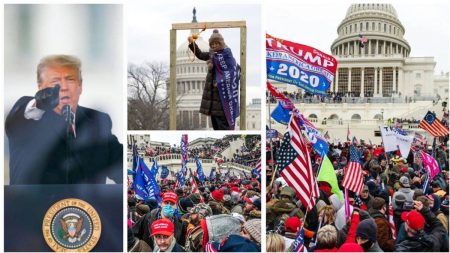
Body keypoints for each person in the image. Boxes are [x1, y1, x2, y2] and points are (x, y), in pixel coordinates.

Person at [5, 55, 122, 184]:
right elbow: (26, 113)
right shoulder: (25, 115)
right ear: (40, 87)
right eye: (55, 82)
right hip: (35, 203)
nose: (64, 87)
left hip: (86, 204)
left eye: (70, 80)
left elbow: (121, 168)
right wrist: (40, 103)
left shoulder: (98, 121)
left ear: (80, 86)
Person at [187, 29, 240, 130]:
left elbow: (233, 72)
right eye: (212, 44)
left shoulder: (227, 55)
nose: (214, 45)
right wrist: (192, 44)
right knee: (216, 125)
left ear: (221, 43)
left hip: (223, 98)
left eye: (216, 43)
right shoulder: (212, 55)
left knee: (223, 126)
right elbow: (200, 55)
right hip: (212, 98)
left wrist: (220, 82)